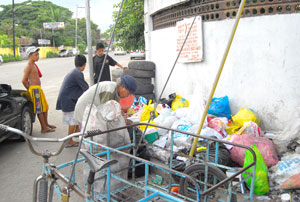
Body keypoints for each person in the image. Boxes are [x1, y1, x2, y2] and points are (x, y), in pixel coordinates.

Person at [56, 54, 89, 147]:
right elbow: (86, 88)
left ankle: (77, 134)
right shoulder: (78, 73)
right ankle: (69, 141)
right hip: (68, 99)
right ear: (84, 64)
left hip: (67, 98)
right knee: (72, 121)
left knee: (74, 119)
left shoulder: (74, 72)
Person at [22, 46, 56, 133]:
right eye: (36, 55)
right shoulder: (28, 66)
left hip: (38, 89)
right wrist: (30, 88)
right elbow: (23, 80)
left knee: (45, 107)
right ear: (30, 56)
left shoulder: (34, 65)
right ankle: (43, 127)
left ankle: (46, 124)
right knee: (39, 109)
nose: (38, 56)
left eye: (38, 54)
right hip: (34, 90)